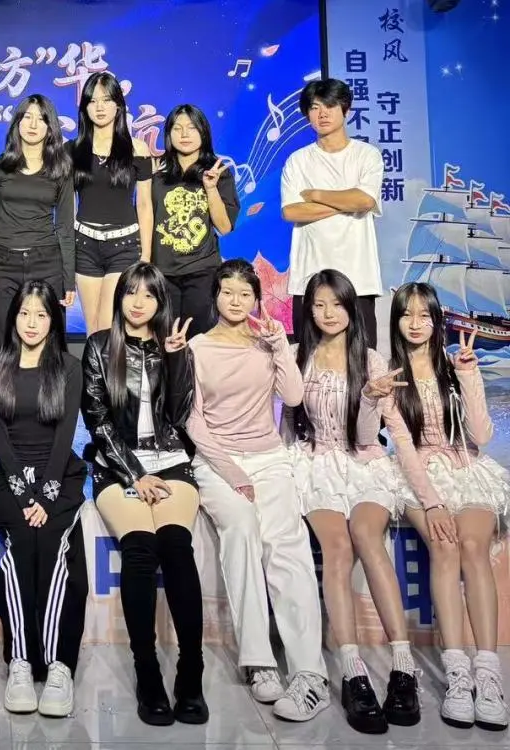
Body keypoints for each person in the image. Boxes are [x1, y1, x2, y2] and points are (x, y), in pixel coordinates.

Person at [186, 259, 330, 722]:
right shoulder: (196, 348)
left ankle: (310, 674)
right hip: (217, 462)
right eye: (227, 292)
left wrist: (279, 346)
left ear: (256, 299)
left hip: (269, 457)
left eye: (244, 293)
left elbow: (293, 397)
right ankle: (259, 661)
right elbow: (193, 421)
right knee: (243, 528)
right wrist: (232, 472)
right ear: (215, 296)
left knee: (286, 544)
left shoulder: (267, 342)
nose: (235, 300)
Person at [281, 270, 420, 734]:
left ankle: (403, 668)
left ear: (351, 309)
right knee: (337, 549)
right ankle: (353, 672)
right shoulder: (298, 356)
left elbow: (365, 438)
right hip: (316, 463)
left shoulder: (372, 359)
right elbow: (289, 425)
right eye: (319, 305)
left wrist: (368, 398)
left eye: (337, 304)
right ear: (309, 310)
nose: (328, 313)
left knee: (366, 536)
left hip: (363, 462)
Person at [82, 262, 206, 726]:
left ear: (160, 302)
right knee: (140, 550)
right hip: (118, 464)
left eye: (149, 295)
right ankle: (147, 671)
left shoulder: (173, 345)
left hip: (170, 459)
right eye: (131, 292)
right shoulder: (99, 347)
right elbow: (97, 420)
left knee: (175, 546)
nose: (138, 302)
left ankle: (191, 672)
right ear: (120, 297)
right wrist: (133, 474)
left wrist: (175, 359)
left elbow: (180, 413)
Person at [384, 283, 509, 731]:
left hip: (466, 466)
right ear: (396, 321)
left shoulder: (456, 368)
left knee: (473, 547)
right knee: (444, 547)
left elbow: (481, 436)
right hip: (416, 474)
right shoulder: (390, 376)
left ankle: (488, 675)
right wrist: (433, 503)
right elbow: (404, 447)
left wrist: (470, 376)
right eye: (407, 314)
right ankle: (457, 674)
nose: (416, 323)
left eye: (425, 315)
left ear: (437, 321)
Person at [0, 281, 86, 718]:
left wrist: (45, 497)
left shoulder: (68, 368)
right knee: (21, 546)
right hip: (12, 480)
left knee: (53, 546)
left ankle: (59, 664)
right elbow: (1, 441)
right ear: (13, 319)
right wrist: (24, 494)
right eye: (24, 313)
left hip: (58, 477)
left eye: (41, 315)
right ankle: (21, 661)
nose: (32, 323)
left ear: (53, 321)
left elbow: (64, 439)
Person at [281, 79, 384, 344]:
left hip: (358, 278)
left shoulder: (367, 155)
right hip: (309, 278)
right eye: (315, 107)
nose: (322, 114)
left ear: (346, 109)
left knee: (361, 359)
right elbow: (291, 212)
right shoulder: (297, 160)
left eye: (330, 106)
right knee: (308, 359)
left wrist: (316, 195)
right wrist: (345, 201)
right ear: (307, 114)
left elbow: (364, 200)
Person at [0, 94, 76, 340]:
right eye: (27, 117)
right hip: (3, 263)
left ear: (50, 127)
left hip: (47, 261)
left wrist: (69, 280)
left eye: (41, 119)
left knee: (50, 338)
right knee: (6, 338)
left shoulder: (60, 169)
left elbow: (65, 226)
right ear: (17, 122)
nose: (33, 125)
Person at [68, 72, 154, 334]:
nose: (100, 107)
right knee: (93, 329)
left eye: (106, 100)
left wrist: (145, 256)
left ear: (118, 105)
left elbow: (145, 206)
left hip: (124, 246)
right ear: (85, 107)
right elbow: (68, 206)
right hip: (85, 245)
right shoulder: (71, 150)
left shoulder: (138, 150)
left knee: (109, 325)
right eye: (93, 101)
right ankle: (94, 365)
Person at [151, 104, 240, 337]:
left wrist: (210, 188)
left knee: (199, 343)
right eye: (177, 128)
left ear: (203, 132)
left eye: (191, 128)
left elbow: (224, 227)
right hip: (162, 273)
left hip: (202, 272)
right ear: (168, 134)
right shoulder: (157, 175)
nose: (184, 134)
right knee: (166, 342)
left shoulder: (218, 173)